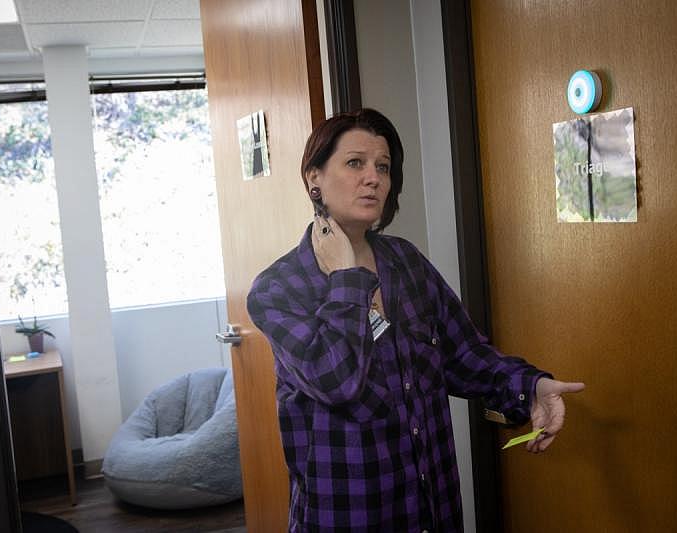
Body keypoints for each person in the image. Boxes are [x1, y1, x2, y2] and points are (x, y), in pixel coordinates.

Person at [246, 108, 585, 532]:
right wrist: (349, 278)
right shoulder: (278, 289)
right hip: (349, 512)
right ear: (314, 177)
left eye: (383, 167)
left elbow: (463, 354)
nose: (373, 178)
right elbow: (335, 379)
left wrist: (530, 386)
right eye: (355, 163)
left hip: (432, 504)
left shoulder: (405, 262)